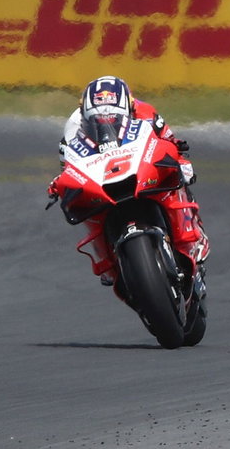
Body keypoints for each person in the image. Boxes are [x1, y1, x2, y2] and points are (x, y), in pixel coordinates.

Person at [50, 76, 207, 291]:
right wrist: (60, 185)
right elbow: (68, 165)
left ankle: (191, 237)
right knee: (84, 207)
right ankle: (108, 261)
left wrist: (180, 160)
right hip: (102, 179)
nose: (105, 117)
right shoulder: (73, 126)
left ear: (128, 104)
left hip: (140, 173)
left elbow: (170, 142)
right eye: (98, 112)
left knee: (178, 178)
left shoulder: (146, 112)